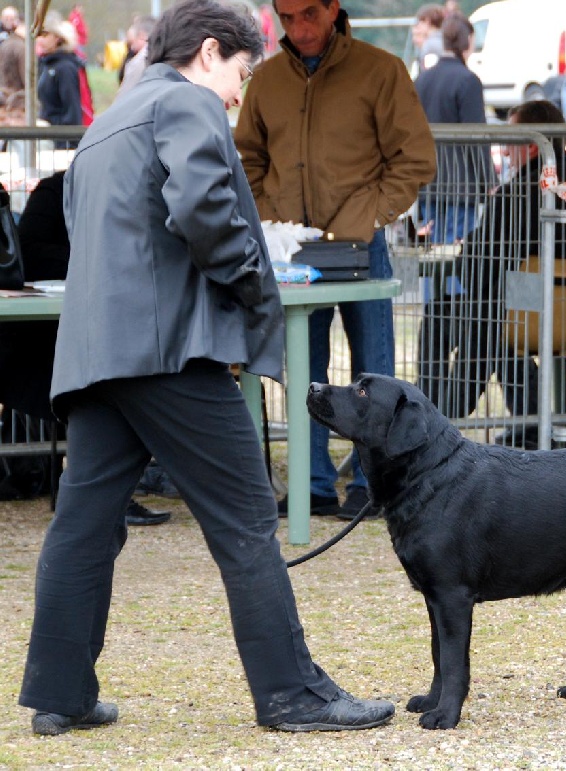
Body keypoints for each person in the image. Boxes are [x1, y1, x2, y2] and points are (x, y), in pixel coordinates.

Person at [19, 0, 394, 736]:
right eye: (241, 74)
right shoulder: (184, 104)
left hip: (101, 353)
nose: (238, 93)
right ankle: (291, 693)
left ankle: (59, 695)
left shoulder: (108, 123)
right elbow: (203, 207)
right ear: (209, 51)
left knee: (83, 525)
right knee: (249, 521)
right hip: (171, 352)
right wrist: (254, 285)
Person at [235, 0, 436, 521]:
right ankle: (313, 485)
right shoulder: (268, 78)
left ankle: (380, 488)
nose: (298, 28)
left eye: (308, 15)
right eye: (286, 18)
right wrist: (270, 218)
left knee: (377, 375)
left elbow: (415, 158)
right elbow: (248, 158)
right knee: (303, 371)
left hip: (359, 246)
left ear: (333, 9)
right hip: (292, 251)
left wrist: (367, 215)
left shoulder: (380, 69)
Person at [417, 100, 566, 448]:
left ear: (531, 144)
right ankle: (529, 425)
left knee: (447, 312)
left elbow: (475, 270)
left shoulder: (512, 195)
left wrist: (469, 249)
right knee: (506, 312)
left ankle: (432, 416)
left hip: (525, 314)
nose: (505, 152)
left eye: (510, 141)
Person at [0, 172, 173, 523]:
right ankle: (104, 493)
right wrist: (98, 260)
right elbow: (30, 251)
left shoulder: (135, 189)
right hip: (54, 335)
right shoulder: (56, 190)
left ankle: (106, 492)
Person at [414, 12, 494, 244]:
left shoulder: (422, 80)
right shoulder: (467, 80)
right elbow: (475, 135)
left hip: (428, 182)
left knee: (434, 253)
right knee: (457, 254)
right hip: (460, 185)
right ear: (468, 40)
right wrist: (488, 180)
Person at [35, 12, 86, 141]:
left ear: (58, 37)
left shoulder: (65, 68)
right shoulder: (45, 64)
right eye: (39, 34)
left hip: (59, 142)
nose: (41, 39)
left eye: (45, 34)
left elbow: (72, 111)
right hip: (47, 136)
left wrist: (64, 143)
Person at [116, 15, 156, 98]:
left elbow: (124, 97)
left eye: (132, 42)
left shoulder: (140, 61)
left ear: (142, 36)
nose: (132, 47)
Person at [411, 4, 445, 77]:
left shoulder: (430, 45)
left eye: (420, 22)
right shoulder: (445, 40)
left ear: (427, 21)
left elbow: (429, 74)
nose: (418, 26)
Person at [0, 20, 24, 93]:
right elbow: (28, 78)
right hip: (17, 96)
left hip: (4, 92)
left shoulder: (5, 44)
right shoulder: (22, 47)